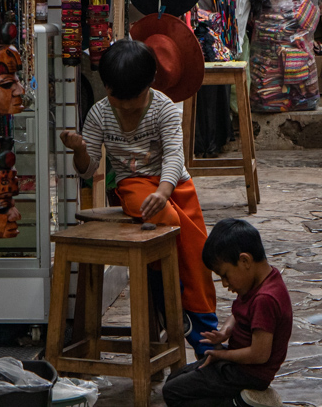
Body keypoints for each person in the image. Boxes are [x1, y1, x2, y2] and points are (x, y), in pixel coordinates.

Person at [60, 40, 218, 357]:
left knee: (196, 250)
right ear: (106, 87)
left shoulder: (163, 107)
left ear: (150, 83)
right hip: (134, 184)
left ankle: (203, 328)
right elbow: (88, 169)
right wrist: (79, 149)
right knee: (168, 223)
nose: (129, 105)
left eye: (136, 97)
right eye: (121, 98)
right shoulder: (99, 114)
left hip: (174, 184)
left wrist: (164, 190)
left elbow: (175, 155)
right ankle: (170, 303)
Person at [163, 219, 292, 407]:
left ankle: (240, 403)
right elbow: (242, 312)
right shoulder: (260, 280)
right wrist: (225, 332)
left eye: (225, 275)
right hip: (239, 365)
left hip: (249, 373)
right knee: (175, 379)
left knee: (173, 392)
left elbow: (259, 354)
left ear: (244, 261)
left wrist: (222, 356)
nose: (224, 283)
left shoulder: (266, 298)